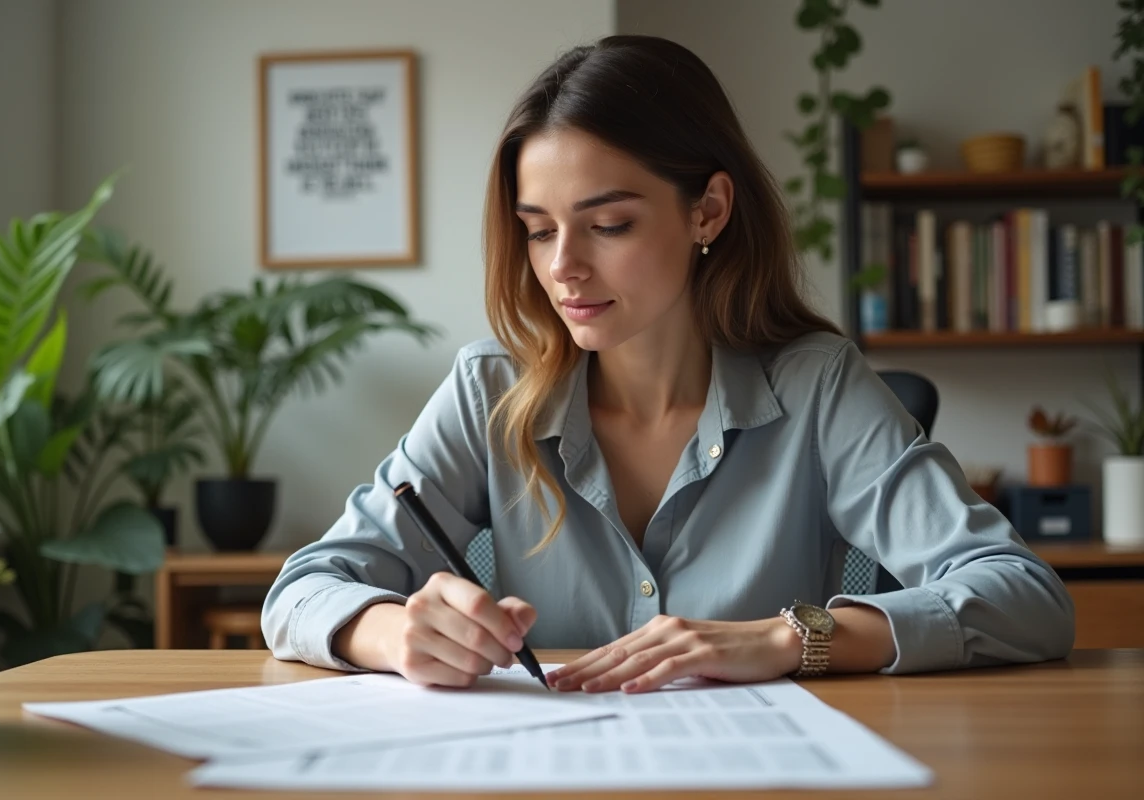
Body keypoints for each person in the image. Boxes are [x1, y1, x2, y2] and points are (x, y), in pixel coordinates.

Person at [262, 35, 1074, 694]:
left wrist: (791, 639)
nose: (563, 267)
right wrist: (395, 631)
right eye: (539, 229)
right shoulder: (490, 392)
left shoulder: (817, 385)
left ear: (708, 210)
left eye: (607, 224)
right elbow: (302, 590)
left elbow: (1024, 598)